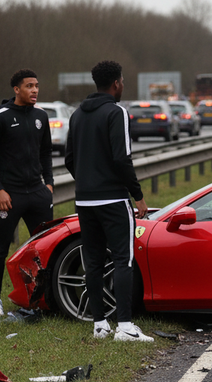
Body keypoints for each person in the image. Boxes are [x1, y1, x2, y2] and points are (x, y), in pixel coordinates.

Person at [65, 60, 151, 341]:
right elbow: (121, 158)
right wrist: (137, 195)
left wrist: (87, 180)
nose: (123, 86)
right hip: (113, 200)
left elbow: (69, 159)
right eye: (123, 81)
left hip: (84, 201)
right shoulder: (117, 113)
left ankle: (100, 324)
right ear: (116, 83)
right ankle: (125, 326)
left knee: (93, 262)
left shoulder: (77, 114)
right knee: (123, 258)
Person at [0, 69, 54, 316]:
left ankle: (45, 297)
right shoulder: (0, 117)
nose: (34, 90)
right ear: (16, 89)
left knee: (44, 248)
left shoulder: (41, 116)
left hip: (38, 194)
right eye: (29, 86)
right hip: (10, 197)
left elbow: (46, 153)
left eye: (37, 85)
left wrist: (49, 183)